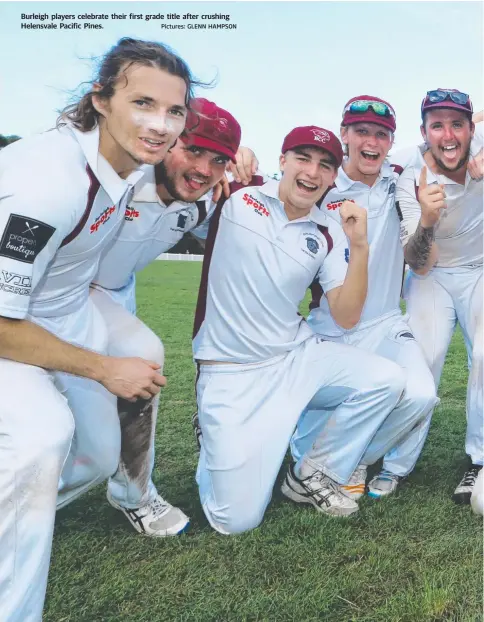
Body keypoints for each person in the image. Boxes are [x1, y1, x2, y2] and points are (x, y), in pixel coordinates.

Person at [0, 37, 195, 622]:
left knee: (99, 456)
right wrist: (103, 368)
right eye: (142, 103)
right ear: (101, 100)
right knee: (40, 439)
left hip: (61, 312)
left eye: (175, 111)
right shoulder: (48, 182)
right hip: (14, 327)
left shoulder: (128, 163)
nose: (159, 124)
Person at [192, 124, 415, 535]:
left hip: (294, 357)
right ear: (282, 161)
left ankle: (312, 471)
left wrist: (361, 246)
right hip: (231, 370)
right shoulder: (238, 196)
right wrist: (226, 154)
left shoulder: (327, 231)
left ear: (334, 178)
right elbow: (186, 173)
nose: (312, 172)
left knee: (387, 379)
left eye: (325, 165)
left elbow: (347, 315)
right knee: (235, 521)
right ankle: (212, 435)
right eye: (303, 158)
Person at [88, 98, 255, 537]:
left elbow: (255, 212)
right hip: (51, 292)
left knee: (139, 365)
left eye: (218, 159)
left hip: (110, 296)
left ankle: (133, 494)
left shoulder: (200, 201)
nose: (204, 168)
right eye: (194, 150)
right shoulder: (121, 174)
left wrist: (248, 177)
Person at [291, 96, 438, 499]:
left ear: (391, 141)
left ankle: (347, 461)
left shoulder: (400, 177)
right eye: (361, 132)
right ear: (344, 135)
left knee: (422, 394)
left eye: (381, 134)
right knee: (322, 418)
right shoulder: (321, 184)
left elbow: (442, 140)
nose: (370, 142)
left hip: (387, 321)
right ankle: (314, 457)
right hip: (331, 324)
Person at [390, 89, 483, 505]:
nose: (449, 135)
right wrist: (427, 220)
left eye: (458, 124)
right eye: (437, 125)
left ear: (471, 128)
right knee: (424, 359)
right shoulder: (410, 172)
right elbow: (419, 262)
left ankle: (479, 461)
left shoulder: (479, 144)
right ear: (424, 133)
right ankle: (396, 463)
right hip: (433, 274)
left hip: (481, 269)